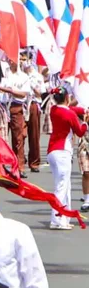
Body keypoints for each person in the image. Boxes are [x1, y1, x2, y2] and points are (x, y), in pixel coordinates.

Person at [47, 87, 87, 229]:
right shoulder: (69, 114)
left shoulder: (53, 110)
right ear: (66, 98)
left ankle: (65, 217)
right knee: (61, 187)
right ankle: (56, 220)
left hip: (52, 151)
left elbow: (70, 109)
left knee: (65, 185)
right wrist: (85, 122)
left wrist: (84, 110)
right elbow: (80, 132)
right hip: (62, 152)